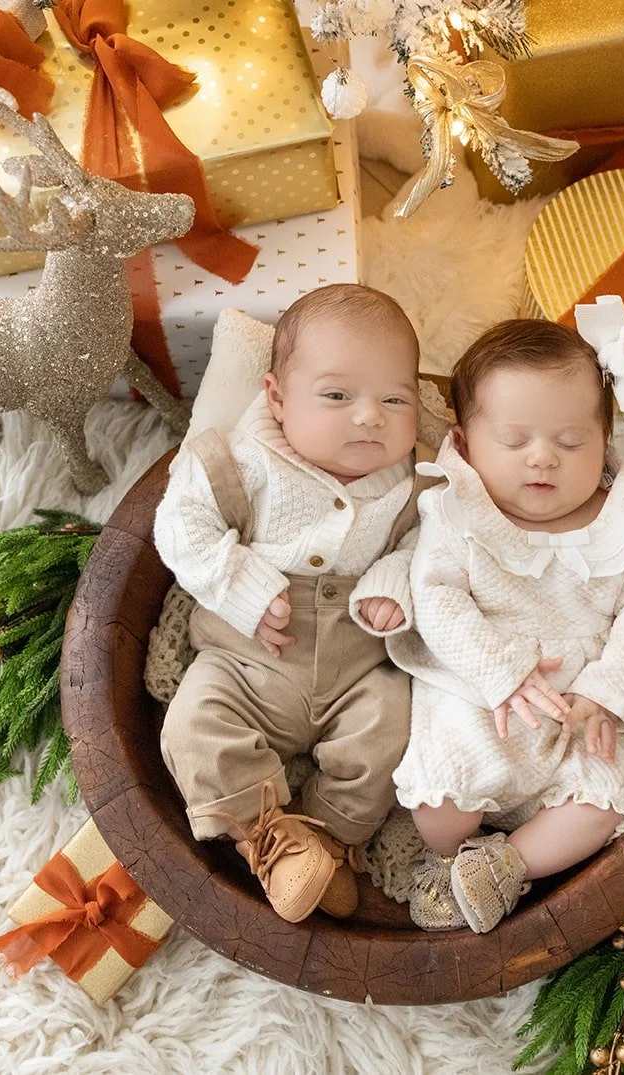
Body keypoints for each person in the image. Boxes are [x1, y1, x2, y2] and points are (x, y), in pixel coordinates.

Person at [388, 311, 624, 933]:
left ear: (604, 441)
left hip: (581, 709)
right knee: (440, 799)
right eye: (514, 441)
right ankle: (449, 854)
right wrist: (501, 673)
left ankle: (504, 866)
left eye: (571, 442)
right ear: (466, 444)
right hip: (482, 695)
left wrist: (605, 694)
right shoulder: (459, 510)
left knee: (606, 804)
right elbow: (435, 596)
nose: (543, 458)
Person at [153, 284, 423, 923]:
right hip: (248, 663)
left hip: (359, 665)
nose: (370, 417)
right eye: (337, 396)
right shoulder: (236, 460)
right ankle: (266, 834)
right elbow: (180, 526)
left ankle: (327, 835)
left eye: (395, 399)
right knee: (192, 727)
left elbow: (434, 545)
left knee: (392, 726)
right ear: (276, 397)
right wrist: (241, 585)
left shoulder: (419, 481)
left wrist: (394, 580)